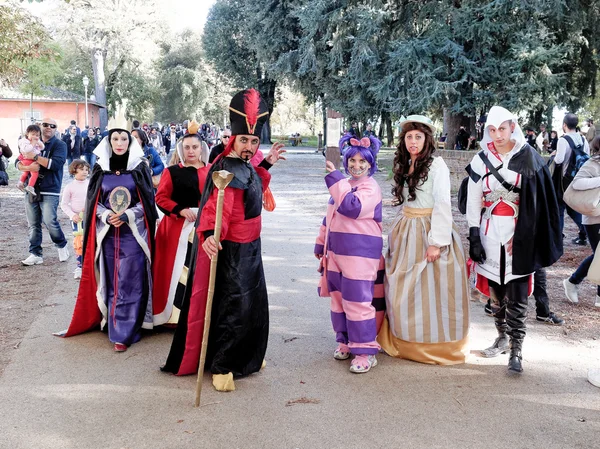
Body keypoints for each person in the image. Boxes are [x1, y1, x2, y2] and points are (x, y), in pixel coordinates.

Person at [162, 88, 286, 392]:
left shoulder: (243, 164)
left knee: (253, 303)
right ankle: (222, 365)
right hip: (233, 248)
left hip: (252, 246)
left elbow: (254, 181)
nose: (249, 146)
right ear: (232, 139)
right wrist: (208, 236)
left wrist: (266, 163)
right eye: (244, 140)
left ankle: (248, 357)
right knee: (234, 307)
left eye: (254, 141)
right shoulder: (224, 168)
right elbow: (216, 209)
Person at [466, 106, 562, 374]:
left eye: (503, 129)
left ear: (512, 127)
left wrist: (529, 236)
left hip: (519, 234)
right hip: (488, 232)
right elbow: (474, 199)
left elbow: (540, 202)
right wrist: (474, 234)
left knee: (517, 293)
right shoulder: (480, 160)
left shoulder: (529, 157)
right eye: (492, 130)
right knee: (496, 293)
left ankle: (517, 348)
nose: (498, 135)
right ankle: (502, 337)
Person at [56, 115, 158, 352]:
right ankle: (112, 323)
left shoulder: (139, 168)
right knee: (110, 280)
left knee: (131, 281)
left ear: (130, 142)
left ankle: (128, 329)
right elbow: (94, 202)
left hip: (133, 236)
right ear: (109, 141)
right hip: (108, 236)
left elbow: (148, 204)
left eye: (124, 138)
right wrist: (105, 215)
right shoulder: (101, 169)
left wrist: (128, 215)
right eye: (115, 138)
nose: (120, 142)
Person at [379, 115, 471, 364]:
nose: (413, 141)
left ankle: (436, 346)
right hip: (407, 228)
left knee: (430, 289)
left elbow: (442, 203)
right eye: (409, 137)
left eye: (418, 137)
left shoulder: (435, 165)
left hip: (429, 229)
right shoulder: (407, 162)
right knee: (401, 285)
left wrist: (436, 242)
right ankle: (401, 339)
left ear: (427, 139)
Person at [315, 134, 385, 373]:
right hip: (335, 252)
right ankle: (345, 340)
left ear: (370, 163)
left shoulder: (370, 188)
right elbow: (330, 216)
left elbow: (351, 207)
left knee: (357, 302)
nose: (356, 166)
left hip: (359, 255)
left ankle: (365, 350)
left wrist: (336, 178)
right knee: (338, 300)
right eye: (352, 161)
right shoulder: (344, 185)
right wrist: (320, 243)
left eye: (361, 162)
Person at [153, 133, 211, 325]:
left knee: (201, 272)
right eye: (187, 147)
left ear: (201, 148)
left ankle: (197, 316)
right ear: (181, 149)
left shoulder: (212, 171)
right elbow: (160, 198)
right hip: (175, 228)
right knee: (176, 271)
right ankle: (173, 317)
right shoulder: (171, 172)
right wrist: (180, 210)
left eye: (195, 147)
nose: (191, 151)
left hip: (204, 228)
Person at [17, 118, 70, 266]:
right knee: (33, 223)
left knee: (49, 221)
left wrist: (34, 157)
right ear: (40, 126)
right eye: (45, 125)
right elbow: (18, 162)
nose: (48, 128)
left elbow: (55, 164)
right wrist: (28, 168)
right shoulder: (28, 141)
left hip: (50, 188)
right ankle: (35, 253)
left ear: (56, 129)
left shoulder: (60, 145)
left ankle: (61, 245)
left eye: (53, 126)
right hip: (31, 188)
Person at [563, 136, 600, 308]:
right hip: (594, 218)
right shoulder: (592, 164)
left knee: (599, 256)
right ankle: (573, 282)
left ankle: (573, 282)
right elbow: (577, 184)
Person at [553, 113, 590, 245]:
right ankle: (584, 231)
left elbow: (559, 160)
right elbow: (587, 157)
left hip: (564, 180)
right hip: (579, 178)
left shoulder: (563, 140)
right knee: (573, 207)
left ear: (564, 125)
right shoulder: (583, 139)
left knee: (560, 208)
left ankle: (558, 236)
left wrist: (555, 154)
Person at [60, 159, 90, 279]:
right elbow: (64, 204)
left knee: (92, 241)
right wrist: (73, 215)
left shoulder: (91, 184)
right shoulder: (69, 187)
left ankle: (92, 265)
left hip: (90, 217)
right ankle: (80, 267)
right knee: (79, 243)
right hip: (77, 220)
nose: (84, 172)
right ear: (74, 170)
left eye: (87, 170)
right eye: (81, 169)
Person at [17, 124, 44, 194]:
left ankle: (20, 183)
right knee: (35, 173)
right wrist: (33, 143)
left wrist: (39, 143)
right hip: (26, 159)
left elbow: (42, 147)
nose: (35, 137)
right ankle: (30, 186)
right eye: (33, 134)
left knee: (26, 172)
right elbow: (26, 150)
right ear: (27, 134)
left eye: (37, 135)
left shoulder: (37, 140)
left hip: (30, 159)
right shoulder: (24, 141)